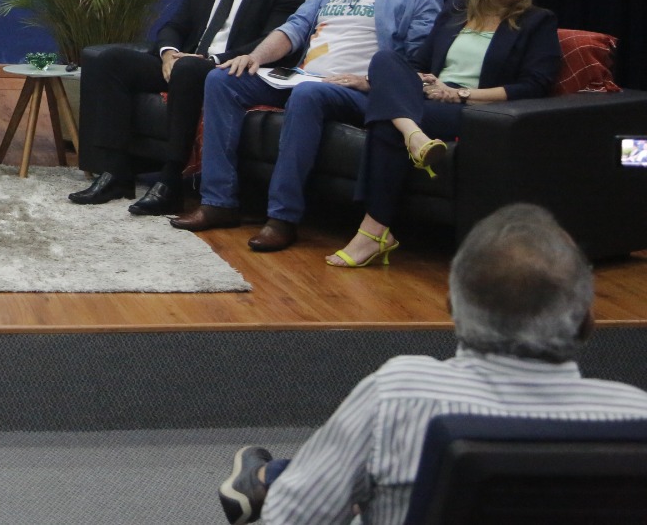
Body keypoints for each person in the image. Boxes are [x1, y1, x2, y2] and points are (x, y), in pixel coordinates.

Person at [217, 202, 647, 525]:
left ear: (452, 308)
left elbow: (292, 520)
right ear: (587, 318)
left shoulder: (398, 395)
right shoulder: (636, 416)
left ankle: (271, 478)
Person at [174, 0, 442, 251]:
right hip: (303, 77)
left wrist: (369, 82)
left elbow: (416, 62)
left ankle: (282, 218)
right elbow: (295, 28)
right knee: (222, 79)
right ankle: (218, 202)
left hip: (361, 90)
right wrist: (255, 58)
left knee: (308, 95)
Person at [328, 0, 559, 267]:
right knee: (385, 60)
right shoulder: (454, 11)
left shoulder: (537, 21)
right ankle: (413, 136)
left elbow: (533, 86)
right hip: (430, 99)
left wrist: (458, 93)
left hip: (477, 110)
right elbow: (418, 65)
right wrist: (425, 81)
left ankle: (374, 230)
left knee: (386, 124)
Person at [72, 0, 312, 214]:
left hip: (233, 71)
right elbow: (174, 26)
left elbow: (271, 41)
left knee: (188, 70)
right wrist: (169, 54)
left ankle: (171, 180)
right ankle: (116, 172)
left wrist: (210, 61)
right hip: (187, 66)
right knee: (110, 61)